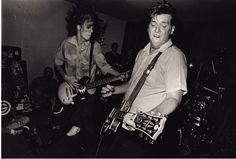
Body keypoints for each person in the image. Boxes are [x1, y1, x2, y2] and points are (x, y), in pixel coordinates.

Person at [100, 2, 187, 157]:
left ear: (172, 29)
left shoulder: (174, 56)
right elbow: (133, 84)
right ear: (148, 27)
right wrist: (115, 90)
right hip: (122, 120)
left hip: (139, 133)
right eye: (154, 24)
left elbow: (173, 99)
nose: (157, 30)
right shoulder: (142, 53)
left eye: (163, 25)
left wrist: (140, 119)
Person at [54, 7, 121, 152]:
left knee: (87, 122)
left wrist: (119, 75)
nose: (92, 31)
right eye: (88, 27)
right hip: (69, 89)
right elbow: (58, 63)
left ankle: (91, 149)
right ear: (78, 27)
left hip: (88, 90)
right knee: (62, 119)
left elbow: (103, 65)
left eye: (93, 28)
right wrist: (66, 77)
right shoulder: (66, 44)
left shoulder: (94, 46)